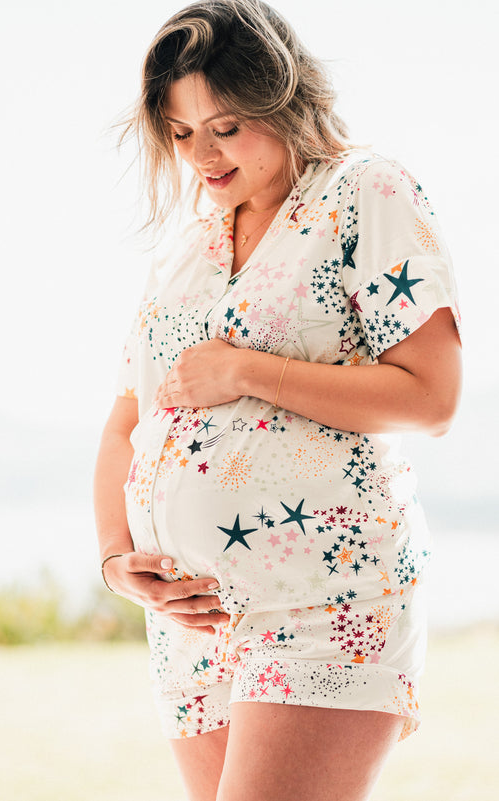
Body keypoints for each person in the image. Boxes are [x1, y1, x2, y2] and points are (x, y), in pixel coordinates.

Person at [93, 1, 462, 799]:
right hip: (192, 628)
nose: (202, 154)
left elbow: (431, 398)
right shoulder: (187, 247)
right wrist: (116, 560)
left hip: (323, 601)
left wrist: (244, 370)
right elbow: (128, 422)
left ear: (282, 99)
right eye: (181, 132)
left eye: (225, 127)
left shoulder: (364, 193)